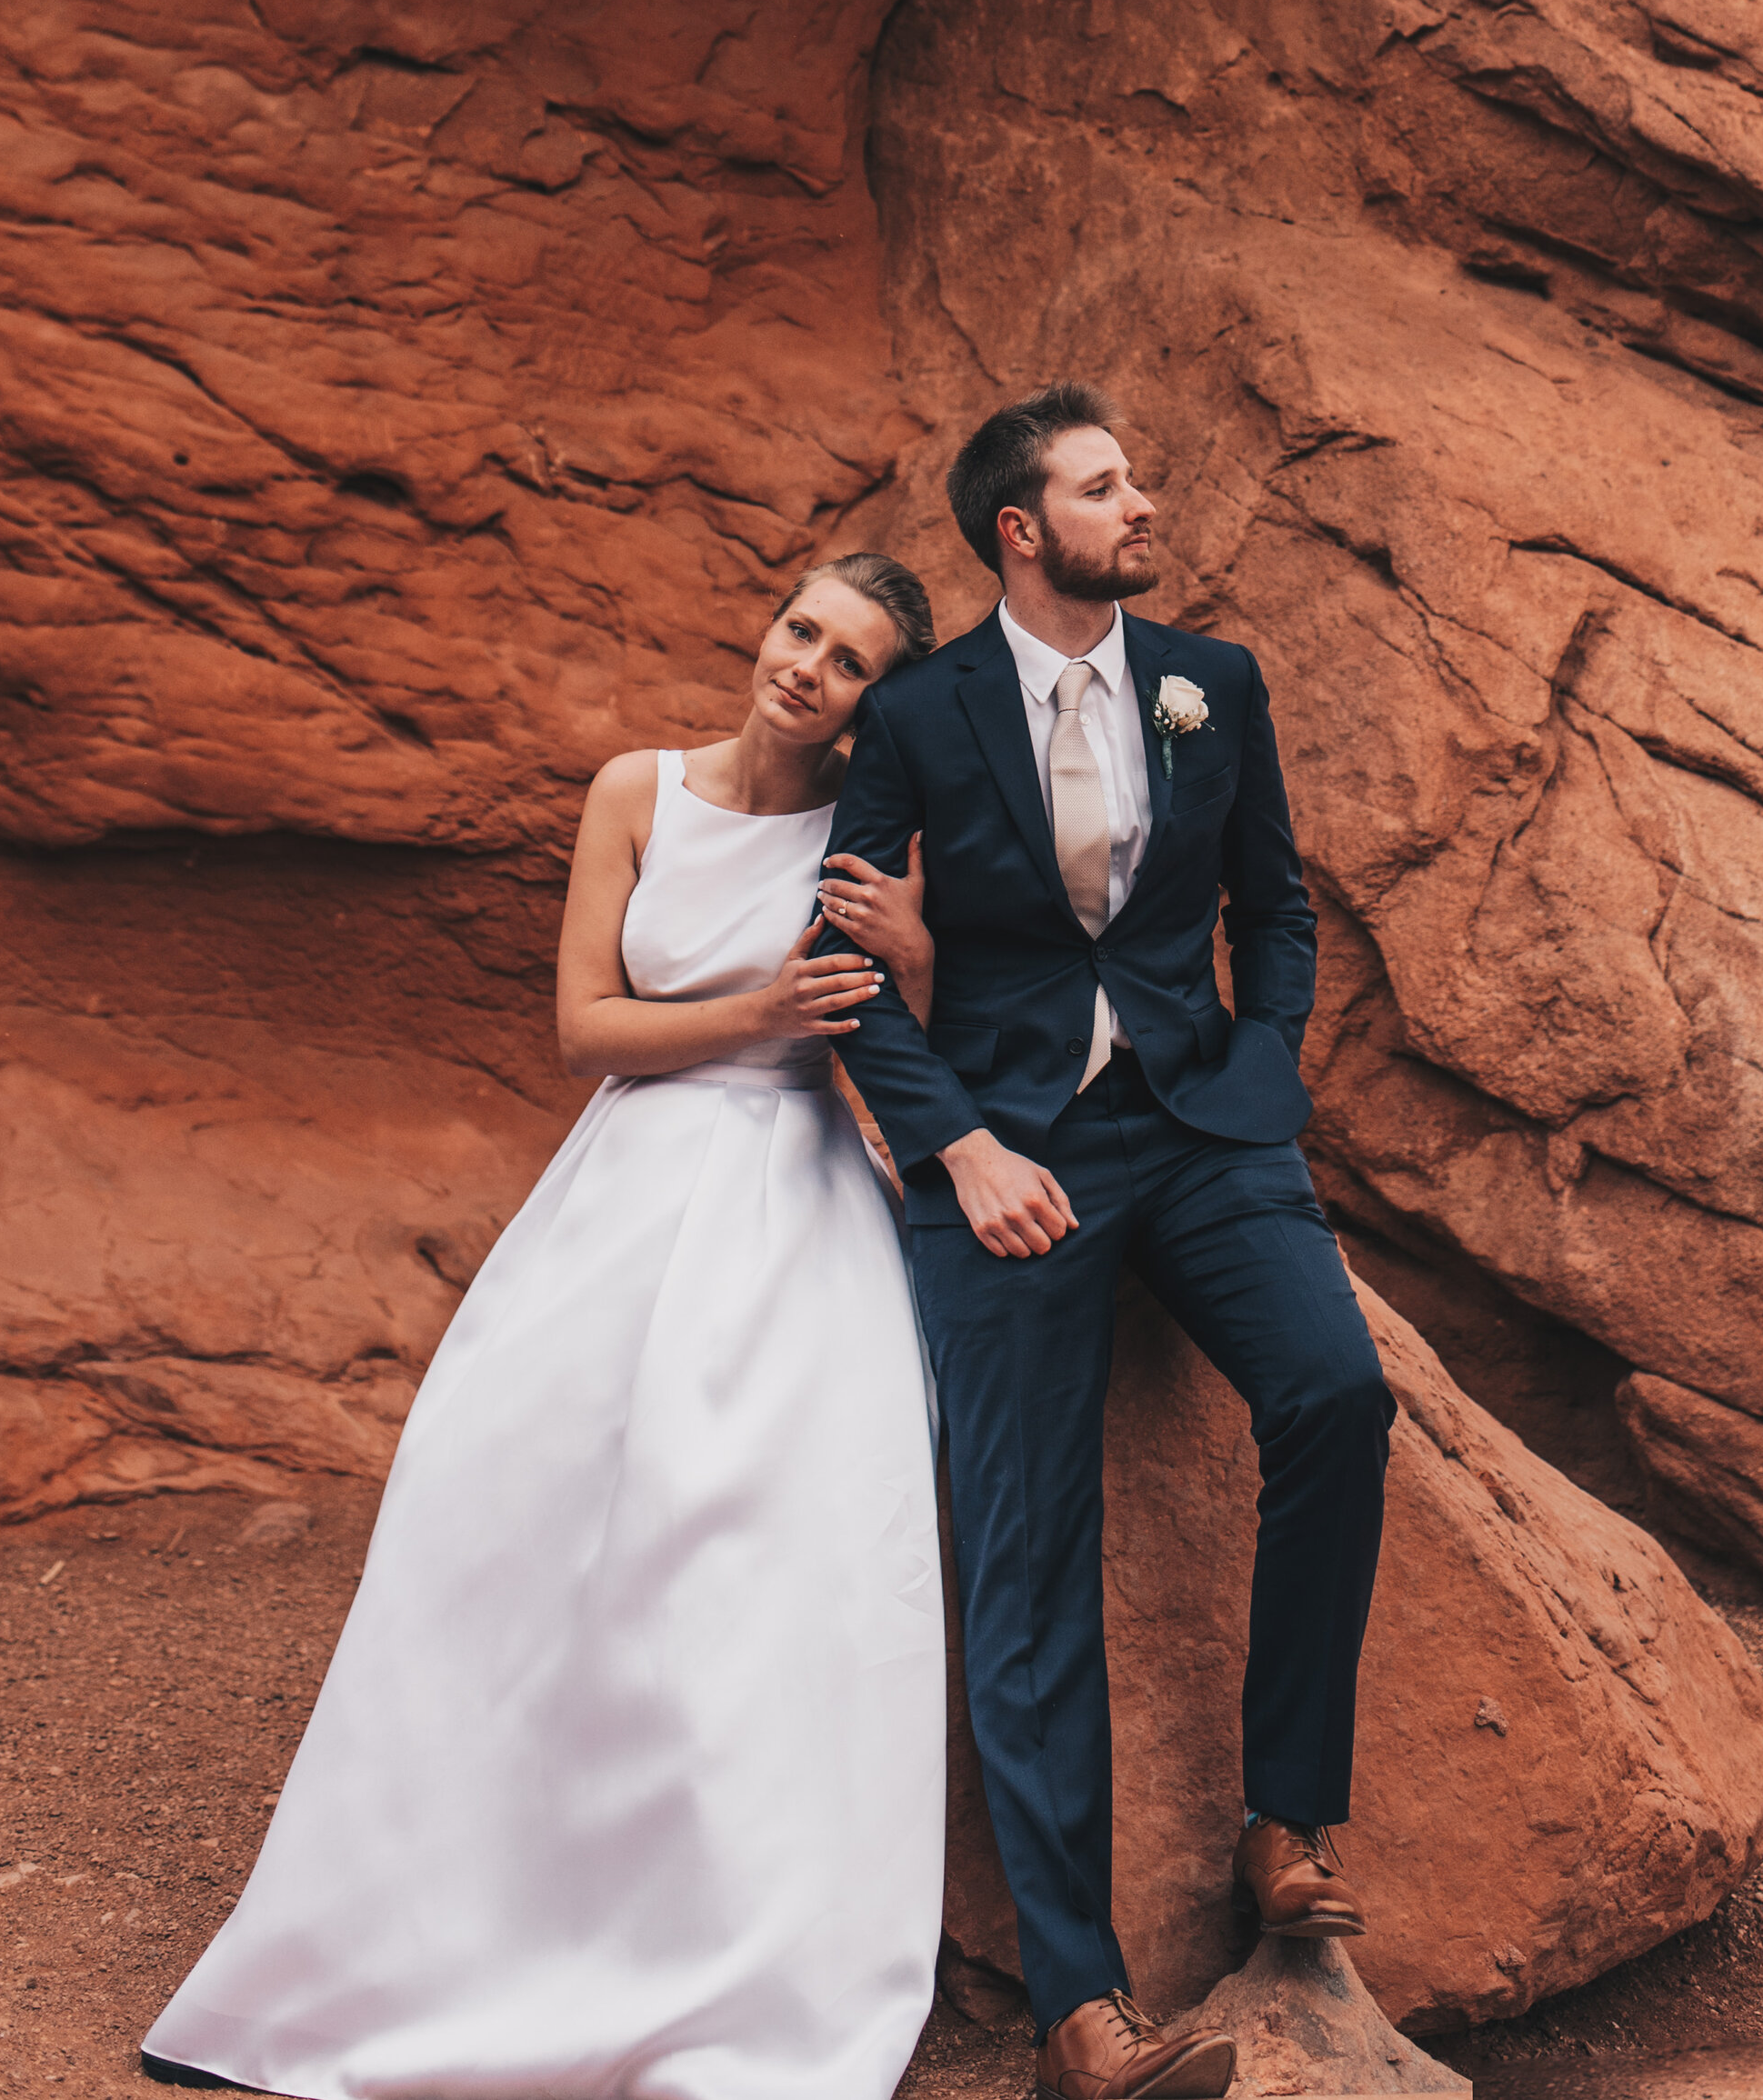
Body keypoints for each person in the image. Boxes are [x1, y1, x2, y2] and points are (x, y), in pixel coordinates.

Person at [143, 555, 947, 2100]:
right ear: (767, 629)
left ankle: (719, 1966)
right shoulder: (636, 789)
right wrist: (755, 1015)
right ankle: (405, 1946)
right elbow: (587, 1023)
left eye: (849, 661)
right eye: (800, 630)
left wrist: (910, 952)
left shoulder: (875, 821)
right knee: (494, 1526)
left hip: (798, 1210)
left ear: (876, 694)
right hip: (622, 1190)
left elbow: (933, 1010)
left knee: (748, 1577)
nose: (806, 669)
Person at [817, 386, 1393, 2100]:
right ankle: (1084, 2008)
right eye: (1103, 485)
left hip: (1202, 1129)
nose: (1139, 504)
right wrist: (962, 1145)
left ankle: (1283, 1818)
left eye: (1131, 480)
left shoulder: (1218, 679)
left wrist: (1264, 1069)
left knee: (1337, 1397)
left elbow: (1276, 905)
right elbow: (843, 962)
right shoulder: (919, 715)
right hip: (1011, 1154)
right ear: (1021, 530)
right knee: (1026, 1553)